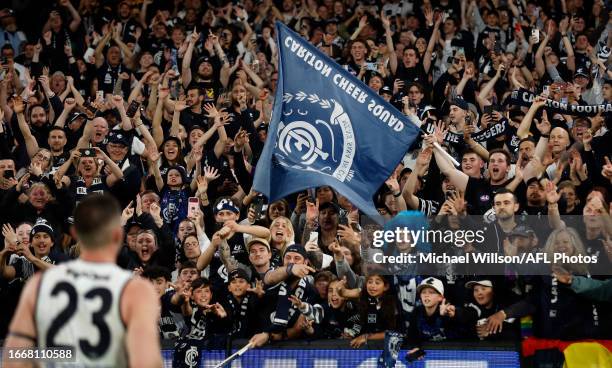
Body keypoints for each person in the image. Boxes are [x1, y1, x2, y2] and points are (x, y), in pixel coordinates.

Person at [2, 194, 161, 367]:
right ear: (117, 235)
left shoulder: (39, 285)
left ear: (74, 233)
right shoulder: (136, 289)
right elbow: (148, 361)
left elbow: (14, 356)